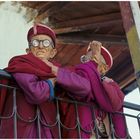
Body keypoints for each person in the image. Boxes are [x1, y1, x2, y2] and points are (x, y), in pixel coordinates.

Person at [0, 23, 92, 138]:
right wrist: (52, 82)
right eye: (35, 42)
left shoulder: (57, 70)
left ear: (52, 52)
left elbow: (85, 88)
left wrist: (55, 71)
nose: (40, 46)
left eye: (46, 43)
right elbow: (36, 93)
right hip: (22, 126)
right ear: (28, 50)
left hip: (48, 126)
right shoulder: (21, 63)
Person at [45, 41, 129, 138]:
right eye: (85, 59)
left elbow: (114, 103)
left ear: (104, 68)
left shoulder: (110, 84)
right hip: (79, 128)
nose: (88, 63)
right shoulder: (75, 72)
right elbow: (77, 83)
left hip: (104, 132)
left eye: (93, 58)